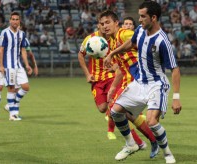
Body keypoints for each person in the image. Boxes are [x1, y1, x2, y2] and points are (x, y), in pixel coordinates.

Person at [104, 1, 182, 163]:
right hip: (139, 82)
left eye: (142, 16)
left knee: (152, 121)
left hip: (157, 85)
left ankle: (167, 154)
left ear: (153, 18)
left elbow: (174, 69)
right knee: (115, 111)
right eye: (139, 16)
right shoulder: (140, 30)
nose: (139, 20)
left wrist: (176, 97)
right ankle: (131, 144)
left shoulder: (162, 41)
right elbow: (131, 43)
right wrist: (112, 53)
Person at [100, 12, 159, 158]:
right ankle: (148, 142)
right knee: (123, 113)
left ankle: (136, 143)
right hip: (130, 81)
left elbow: (143, 41)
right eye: (102, 24)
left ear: (116, 23)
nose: (105, 26)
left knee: (116, 111)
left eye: (108, 22)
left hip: (140, 81)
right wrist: (113, 88)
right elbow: (120, 69)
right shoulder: (112, 42)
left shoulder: (124, 34)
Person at [78, 20, 118, 140]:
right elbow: (80, 55)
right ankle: (109, 112)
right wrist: (87, 74)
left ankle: (111, 130)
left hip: (111, 76)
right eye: (102, 24)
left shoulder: (114, 38)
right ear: (98, 26)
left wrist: (116, 66)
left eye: (106, 24)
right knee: (102, 108)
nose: (104, 26)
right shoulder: (89, 39)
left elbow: (121, 54)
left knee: (114, 102)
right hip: (96, 79)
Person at [0, 35, 38, 120]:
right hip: (3, 66)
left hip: (15, 68)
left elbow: (29, 53)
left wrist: (34, 66)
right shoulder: (5, 36)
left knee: (18, 89)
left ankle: (12, 109)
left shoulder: (23, 39)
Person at [0, 12, 33, 121]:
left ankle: (11, 105)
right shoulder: (4, 33)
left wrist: (27, 64)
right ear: (10, 20)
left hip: (18, 65)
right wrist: (1, 65)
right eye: (13, 19)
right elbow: (1, 49)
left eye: (17, 19)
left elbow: (23, 50)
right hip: (8, 66)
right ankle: (12, 115)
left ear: (19, 21)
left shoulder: (22, 34)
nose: (15, 21)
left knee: (26, 87)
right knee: (11, 89)